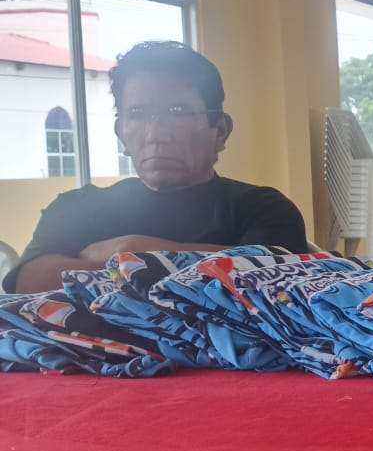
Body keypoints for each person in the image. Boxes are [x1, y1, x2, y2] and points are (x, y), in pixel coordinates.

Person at [4, 41, 308, 294]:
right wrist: (204, 262)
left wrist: (132, 251)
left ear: (220, 131)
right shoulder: (77, 208)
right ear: (120, 133)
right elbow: (30, 284)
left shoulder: (264, 209)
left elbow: (264, 279)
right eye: (137, 114)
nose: (155, 134)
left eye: (177, 111)